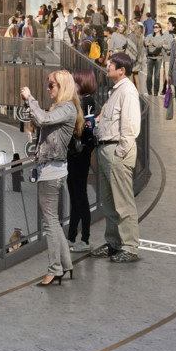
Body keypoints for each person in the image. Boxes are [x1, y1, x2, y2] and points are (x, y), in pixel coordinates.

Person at [22, 69, 78, 286]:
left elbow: (43, 120)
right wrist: (31, 106)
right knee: (53, 221)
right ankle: (66, 264)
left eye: (51, 85)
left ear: (62, 87)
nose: (48, 88)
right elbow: (42, 121)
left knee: (50, 222)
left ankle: (55, 268)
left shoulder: (66, 108)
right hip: (54, 169)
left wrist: (31, 99)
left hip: (51, 171)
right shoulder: (64, 108)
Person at [90, 52, 144, 263]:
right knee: (109, 202)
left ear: (122, 70)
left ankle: (129, 247)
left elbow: (130, 128)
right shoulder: (117, 91)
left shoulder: (127, 92)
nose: (107, 65)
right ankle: (114, 243)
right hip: (107, 150)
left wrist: (120, 153)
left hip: (116, 152)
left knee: (122, 202)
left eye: (111, 63)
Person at [66, 68, 99, 252]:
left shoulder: (87, 101)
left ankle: (84, 239)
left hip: (81, 155)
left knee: (80, 197)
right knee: (75, 196)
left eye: (75, 82)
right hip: (74, 155)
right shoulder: (78, 101)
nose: (72, 85)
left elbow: (87, 127)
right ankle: (71, 236)